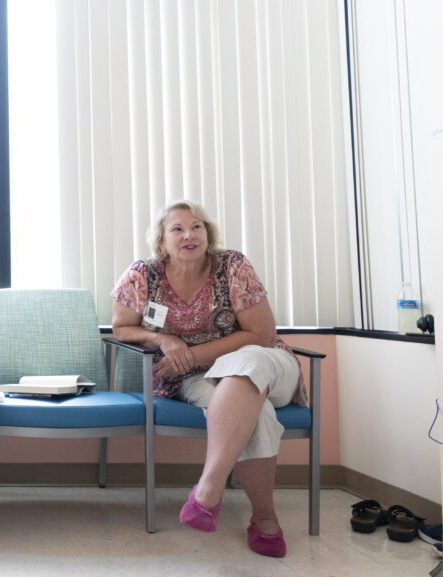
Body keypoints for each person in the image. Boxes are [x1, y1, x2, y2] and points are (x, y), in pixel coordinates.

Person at [110, 201, 303, 558]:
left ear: (208, 234)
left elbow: (261, 334)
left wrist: (192, 355)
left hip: (267, 363)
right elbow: (122, 327)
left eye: (196, 227)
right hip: (198, 378)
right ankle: (264, 518)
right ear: (162, 241)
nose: (189, 235)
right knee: (250, 412)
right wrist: (163, 340)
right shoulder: (143, 275)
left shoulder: (233, 266)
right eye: (177, 229)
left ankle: (209, 488)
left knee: (247, 364)